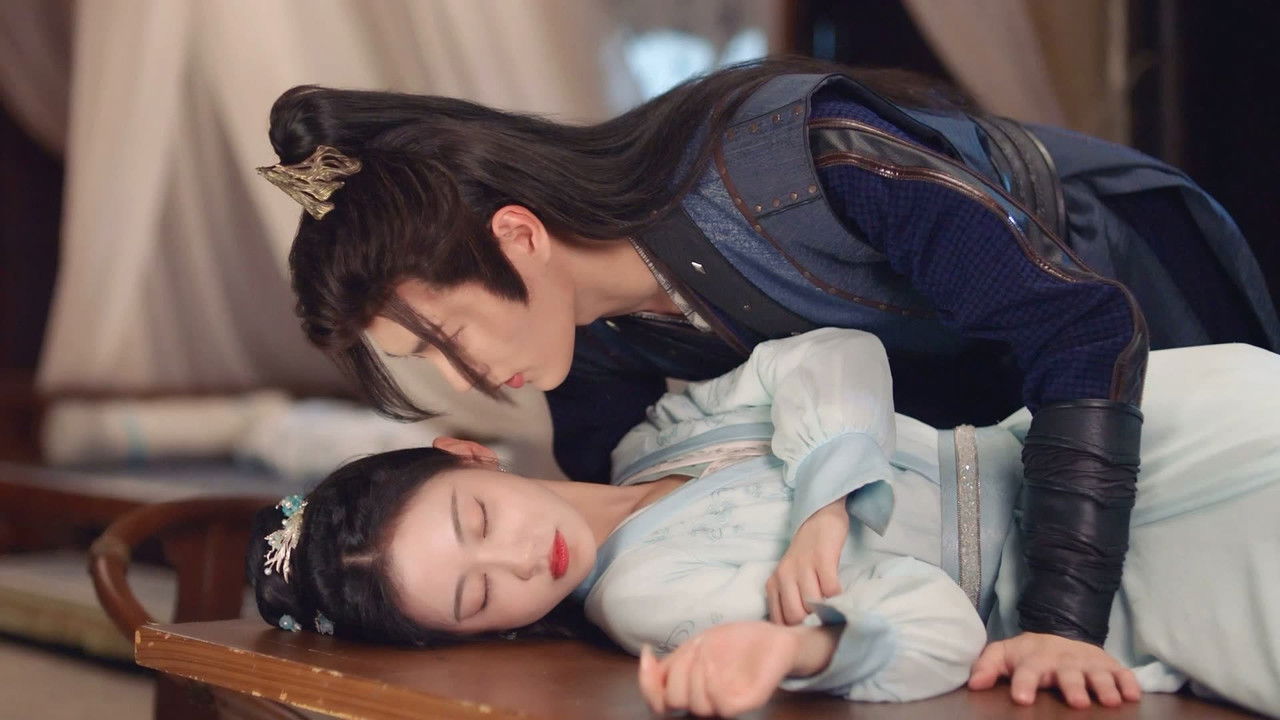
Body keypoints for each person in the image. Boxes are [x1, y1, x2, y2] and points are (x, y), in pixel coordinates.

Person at [257, 57, 1280, 700]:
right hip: (996, 469)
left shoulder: (792, 164)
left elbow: (1076, 326)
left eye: (445, 335)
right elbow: (627, 546)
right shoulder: (593, 373)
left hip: (1107, 299)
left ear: (517, 236)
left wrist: (1059, 625)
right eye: (426, 363)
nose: (468, 375)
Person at [248, 329, 1280, 717]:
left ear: (469, 454)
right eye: (479, 597)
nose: (519, 560)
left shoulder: (652, 438)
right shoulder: (648, 598)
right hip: (1096, 593)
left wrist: (824, 507)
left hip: (1087, 446)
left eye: (477, 517)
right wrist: (798, 647)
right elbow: (939, 632)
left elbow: (833, 353)